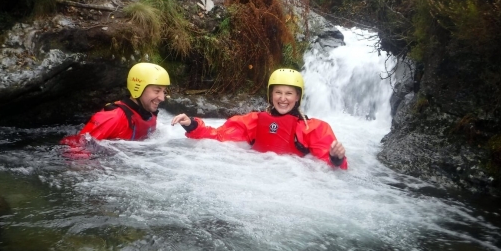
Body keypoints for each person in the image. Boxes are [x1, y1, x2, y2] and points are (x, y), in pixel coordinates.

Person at [171, 68, 347, 169]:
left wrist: (336, 158)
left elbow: (331, 169)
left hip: (294, 186)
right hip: (259, 178)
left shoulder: (313, 128)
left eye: (288, 93)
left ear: (297, 98)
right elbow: (219, 135)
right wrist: (192, 125)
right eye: (278, 92)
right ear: (271, 95)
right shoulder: (254, 121)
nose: (283, 98)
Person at [62, 63, 170, 151]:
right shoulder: (113, 118)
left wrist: (188, 127)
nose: (162, 98)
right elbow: (77, 148)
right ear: (139, 88)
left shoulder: (149, 115)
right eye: (157, 91)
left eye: (164, 92)